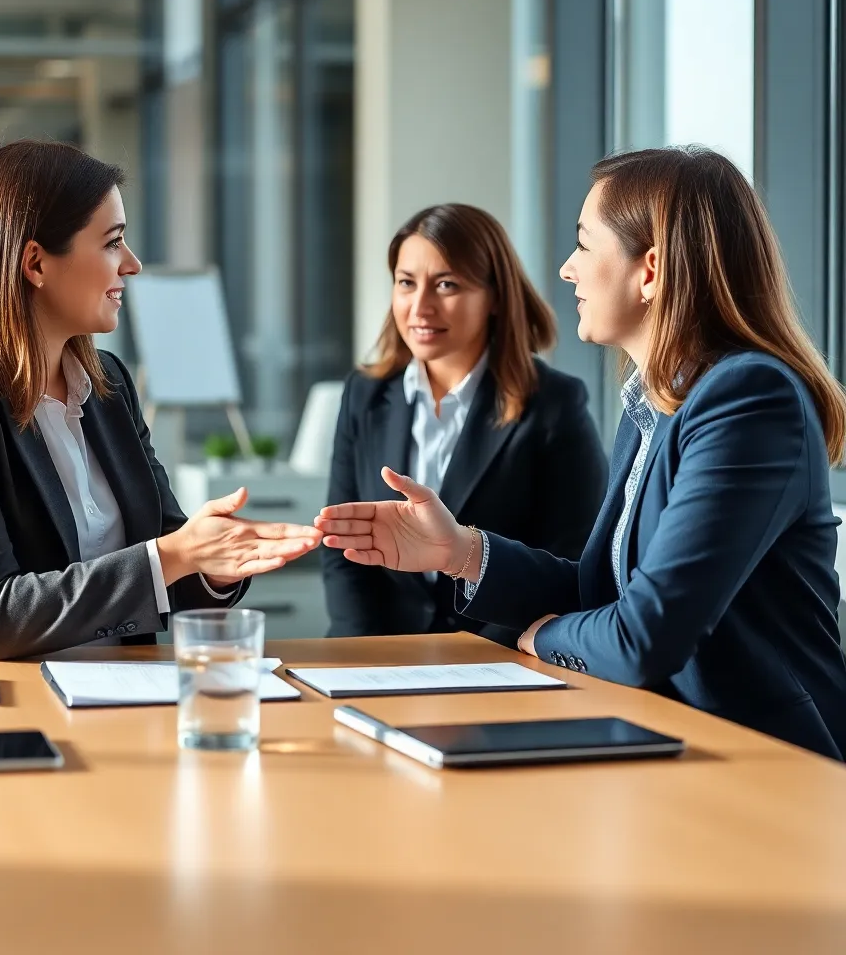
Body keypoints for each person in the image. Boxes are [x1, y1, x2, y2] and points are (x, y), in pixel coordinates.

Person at [317, 147, 846, 759]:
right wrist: (459, 551)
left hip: (767, 761)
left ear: (650, 271)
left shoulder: (749, 398)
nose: (567, 270)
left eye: (584, 245)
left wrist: (540, 640)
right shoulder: (655, 402)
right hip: (661, 735)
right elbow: (602, 590)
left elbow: (643, 635)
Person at [0, 115, 320, 659]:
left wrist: (215, 563)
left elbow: (167, 564)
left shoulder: (109, 387)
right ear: (35, 262)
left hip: (115, 697)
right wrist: (176, 554)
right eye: (113, 243)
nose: (131, 265)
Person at [322, 203, 607, 644]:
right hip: (375, 657)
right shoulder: (364, 394)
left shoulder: (554, 405)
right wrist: (367, 653)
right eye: (406, 283)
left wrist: (473, 658)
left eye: (447, 285)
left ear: (494, 296)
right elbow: (342, 549)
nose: (420, 306)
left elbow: (572, 561)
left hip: (502, 659)